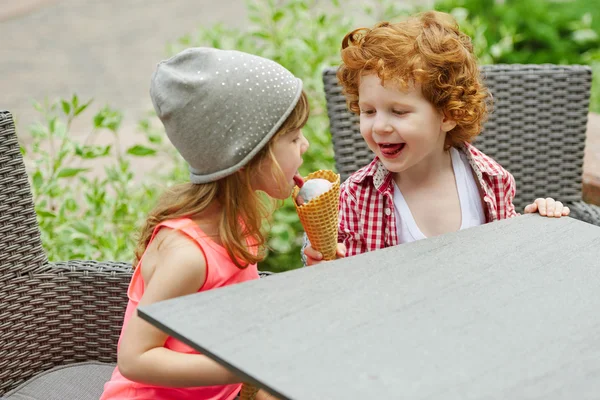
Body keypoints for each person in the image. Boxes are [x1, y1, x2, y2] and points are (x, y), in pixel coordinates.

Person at [100, 47, 309, 400]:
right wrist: (240, 364)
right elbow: (135, 359)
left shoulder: (234, 220)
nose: (304, 145)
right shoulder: (188, 255)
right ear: (247, 155)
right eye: (292, 137)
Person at [305, 10, 569, 263]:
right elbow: (343, 275)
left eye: (398, 111)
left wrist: (537, 220)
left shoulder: (492, 181)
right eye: (369, 111)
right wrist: (324, 264)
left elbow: (508, 256)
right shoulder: (357, 197)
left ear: (447, 114)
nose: (380, 127)